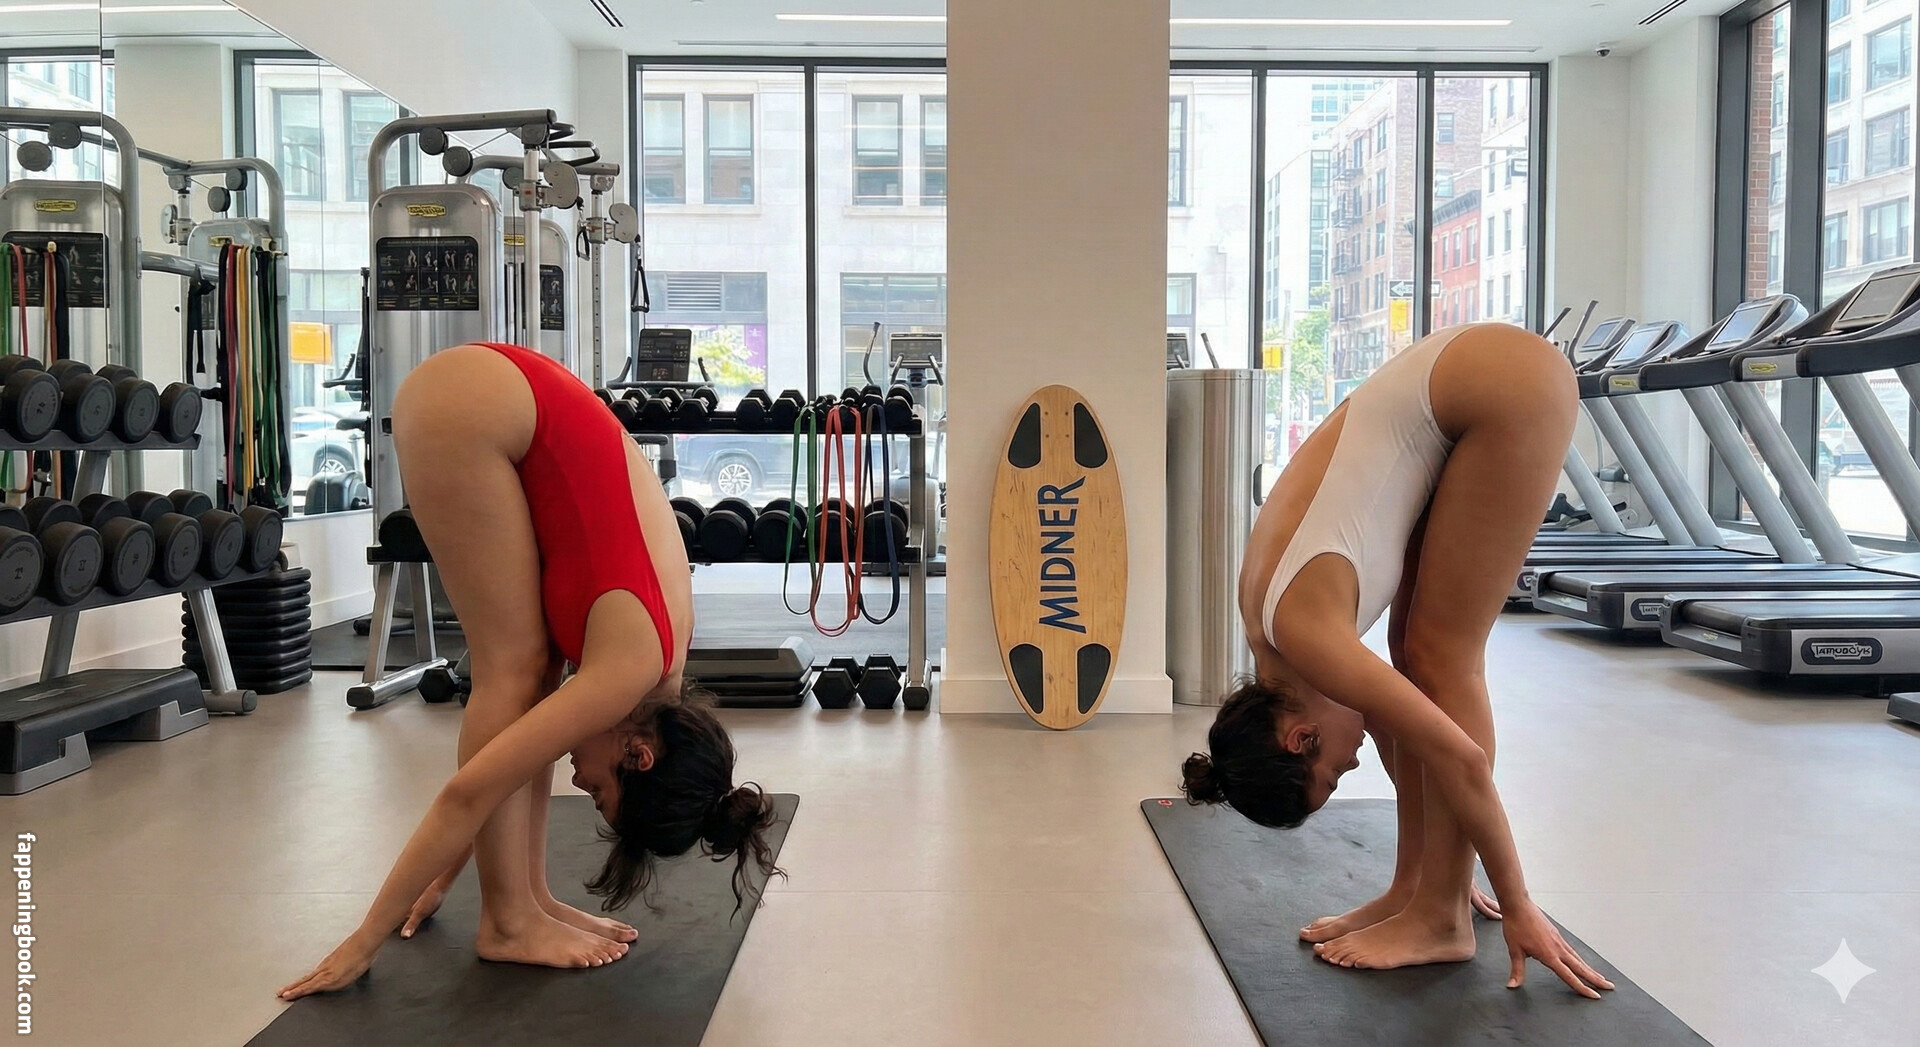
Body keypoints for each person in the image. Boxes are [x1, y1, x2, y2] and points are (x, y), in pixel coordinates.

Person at [279, 342, 781, 1001]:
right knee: (511, 673)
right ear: (640, 754)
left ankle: (527, 898)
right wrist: (363, 941)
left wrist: (448, 873)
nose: (578, 781)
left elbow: (507, 760)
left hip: (501, 395)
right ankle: (509, 920)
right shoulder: (625, 671)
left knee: (536, 676)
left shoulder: (653, 676)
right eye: (599, 790)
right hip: (472, 407)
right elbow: (470, 793)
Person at [1180, 322, 1616, 999]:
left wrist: (1518, 902)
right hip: (1468, 381)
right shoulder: (1282, 650)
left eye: (1334, 773)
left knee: (1443, 659)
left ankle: (1441, 918)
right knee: (1411, 654)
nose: (1353, 768)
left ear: (1300, 738)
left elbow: (1458, 758)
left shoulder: (1307, 636)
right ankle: (1417, 890)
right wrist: (1441, 856)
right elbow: (1396, 727)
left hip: (1502, 387)